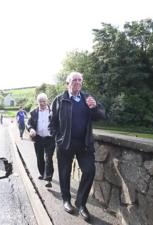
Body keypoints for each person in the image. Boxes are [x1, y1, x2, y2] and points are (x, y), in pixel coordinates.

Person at [50, 71, 106, 222]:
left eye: (79, 80)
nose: (77, 82)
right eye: (74, 80)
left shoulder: (88, 98)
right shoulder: (59, 100)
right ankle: (66, 200)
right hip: (65, 144)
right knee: (64, 173)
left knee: (89, 171)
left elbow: (102, 116)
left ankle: (81, 203)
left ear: (82, 82)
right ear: (68, 83)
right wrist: (58, 138)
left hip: (84, 144)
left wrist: (94, 108)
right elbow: (52, 122)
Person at [27, 93, 55, 188]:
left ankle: (48, 178)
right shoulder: (34, 112)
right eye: (40, 101)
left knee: (48, 158)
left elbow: (57, 122)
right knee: (39, 158)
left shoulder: (52, 111)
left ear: (47, 101)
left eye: (44, 101)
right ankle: (42, 173)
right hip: (38, 138)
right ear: (37, 102)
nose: (42, 103)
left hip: (50, 138)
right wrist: (31, 129)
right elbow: (29, 123)